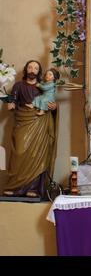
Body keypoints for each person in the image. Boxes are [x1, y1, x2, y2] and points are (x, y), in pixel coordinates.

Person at [3, 60, 59, 198]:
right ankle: (15, 187)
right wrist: (10, 103)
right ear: (26, 69)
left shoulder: (43, 87)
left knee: (37, 155)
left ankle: (33, 189)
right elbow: (13, 100)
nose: (32, 70)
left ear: (39, 71)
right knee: (19, 152)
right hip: (23, 122)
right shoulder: (18, 86)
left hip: (41, 123)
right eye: (30, 67)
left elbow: (50, 100)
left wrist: (55, 107)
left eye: (35, 68)